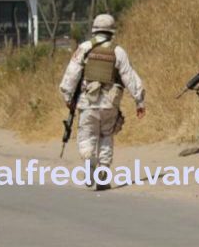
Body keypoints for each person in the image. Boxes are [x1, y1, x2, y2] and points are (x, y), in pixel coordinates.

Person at [59, 13, 146, 191]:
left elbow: (71, 75)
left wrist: (67, 97)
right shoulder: (118, 51)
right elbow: (130, 77)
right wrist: (139, 101)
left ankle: (89, 162)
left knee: (87, 136)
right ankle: (103, 173)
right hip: (110, 104)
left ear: (95, 30)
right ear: (111, 31)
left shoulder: (84, 48)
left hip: (87, 103)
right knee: (106, 136)